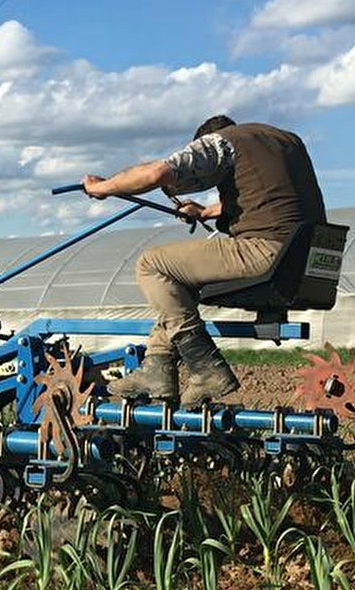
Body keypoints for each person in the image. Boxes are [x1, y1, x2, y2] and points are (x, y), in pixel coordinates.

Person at [81, 115, 326, 408]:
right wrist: (206, 212)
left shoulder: (222, 143)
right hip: (304, 259)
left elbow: (156, 174)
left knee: (152, 265)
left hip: (266, 252)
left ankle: (204, 367)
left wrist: (103, 187)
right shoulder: (285, 141)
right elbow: (270, 200)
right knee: (177, 289)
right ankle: (157, 366)